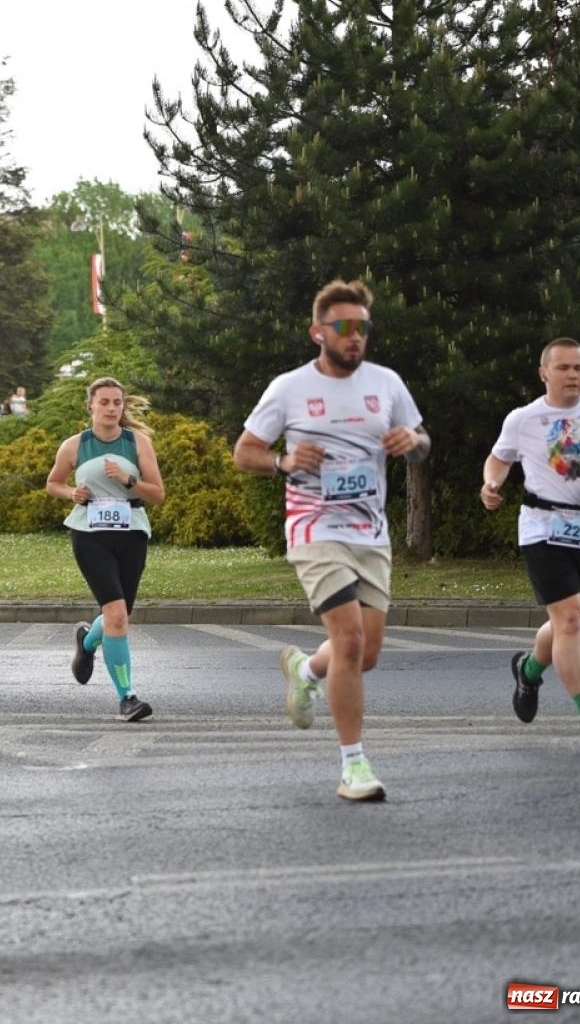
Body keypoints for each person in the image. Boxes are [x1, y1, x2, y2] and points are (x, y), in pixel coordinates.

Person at [233, 278, 429, 803]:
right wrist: (283, 461)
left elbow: (421, 443)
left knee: (364, 655)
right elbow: (244, 451)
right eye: (343, 327)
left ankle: (305, 667)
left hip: (371, 532)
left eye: (362, 327)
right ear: (317, 332)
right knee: (349, 640)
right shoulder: (290, 388)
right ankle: (354, 766)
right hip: (314, 528)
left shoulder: (386, 383)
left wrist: (412, 442)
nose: (354, 336)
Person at [480, 337, 580, 747]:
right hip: (540, 527)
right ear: (544, 373)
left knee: (566, 621)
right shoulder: (523, 418)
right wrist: (492, 482)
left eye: (579, 368)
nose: (572, 375)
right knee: (570, 619)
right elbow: (499, 457)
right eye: (564, 368)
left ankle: (529, 671)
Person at [46, 377, 167, 721]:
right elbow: (52, 483)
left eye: (117, 403)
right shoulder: (75, 445)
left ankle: (86, 641)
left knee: (119, 616)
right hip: (89, 532)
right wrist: (71, 493)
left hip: (131, 531)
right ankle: (127, 697)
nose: (112, 409)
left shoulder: (137, 442)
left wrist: (128, 481)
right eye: (105, 402)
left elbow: (158, 494)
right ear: (91, 407)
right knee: (115, 614)